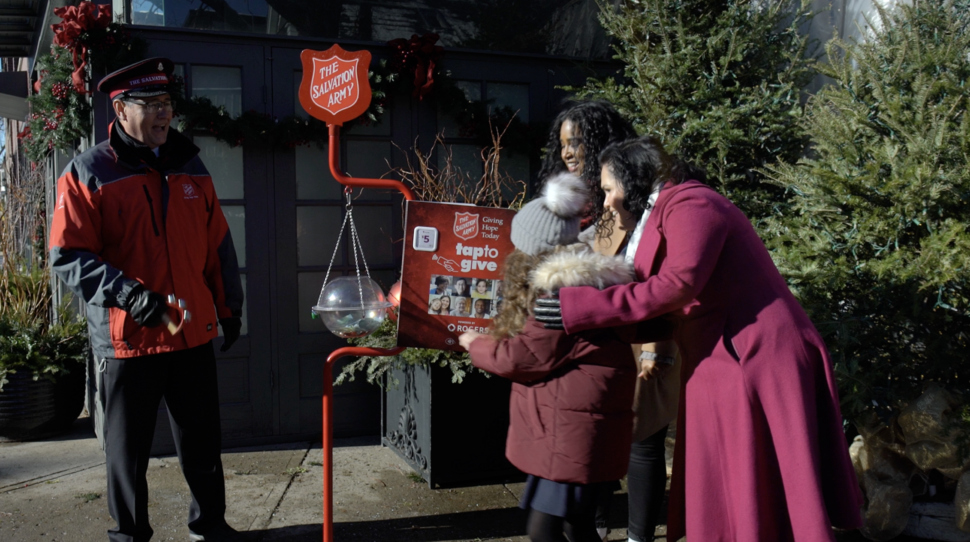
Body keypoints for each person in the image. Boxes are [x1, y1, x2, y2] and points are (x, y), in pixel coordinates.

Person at [535, 137, 863, 541]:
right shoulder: (667, 210)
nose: (605, 202)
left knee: (748, 472)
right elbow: (669, 304)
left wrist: (582, 309)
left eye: (607, 189)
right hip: (722, 353)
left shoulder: (692, 204)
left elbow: (677, 286)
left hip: (753, 354)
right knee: (731, 474)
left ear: (632, 178)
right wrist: (589, 320)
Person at [48, 58, 244, 542]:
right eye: (152, 105)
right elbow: (67, 253)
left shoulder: (190, 166)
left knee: (203, 444)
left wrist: (228, 306)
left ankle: (211, 527)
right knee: (127, 453)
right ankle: (129, 537)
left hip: (190, 332)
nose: (164, 114)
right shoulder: (88, 172)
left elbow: (218, 245)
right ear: (121, 109)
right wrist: (130, 296)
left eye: (167, 104)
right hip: (128, 339)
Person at [458, 172, 637, 542]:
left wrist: (473, 342)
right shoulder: (587, 283)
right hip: (579, 428)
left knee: (544, 530)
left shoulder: (560, 293)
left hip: (569, 433)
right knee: (579, 525)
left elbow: (521, 357)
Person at [542, 99, 676, 542]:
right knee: (598, 433)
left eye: (576, 141)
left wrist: (655, 346)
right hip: (597, 330)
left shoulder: (628, 187)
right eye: (563, 144)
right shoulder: (578, 196)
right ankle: (595, 526)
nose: (567, 152)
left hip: (641, 329)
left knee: (643, 437)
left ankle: (639, 536)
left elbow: (653, 267)